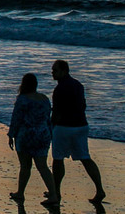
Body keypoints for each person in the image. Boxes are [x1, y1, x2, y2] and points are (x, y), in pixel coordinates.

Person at [51, 59, 108, 204]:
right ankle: (100, 189)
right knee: (85, 158)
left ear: (64, 71)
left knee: (58, 160)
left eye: (55, 70)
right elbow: (83, 105)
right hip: (81, 125)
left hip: (64, 127)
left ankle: (56, 192)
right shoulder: (78, 85)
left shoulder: (59, 89)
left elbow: (57, 112)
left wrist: (51, 127)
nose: (52, 73)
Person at [7, 72, 59, 206]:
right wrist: (50, 134)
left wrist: (11, 135)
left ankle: (20, 192)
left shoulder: (22, 99)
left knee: (25, 166)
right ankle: (53, 194)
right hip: (42, 135)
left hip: (26, 135)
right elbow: (48, 118)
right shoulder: (44, 98)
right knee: (43, 166)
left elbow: (16, 119)